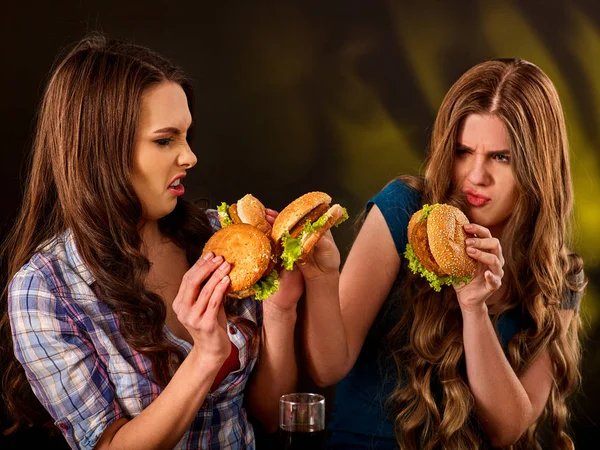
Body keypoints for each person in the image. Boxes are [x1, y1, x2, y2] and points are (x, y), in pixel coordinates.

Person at [0, 33, 304, 450]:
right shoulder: (45, 291)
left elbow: (270, 415)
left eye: (186, 136)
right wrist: (205, 357)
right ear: (100, 151)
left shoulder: (221, 236)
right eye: (165, 140)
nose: (189, 157)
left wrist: (281, 309)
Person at [297, 59, 586, 449]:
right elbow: (328, 368)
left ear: (540, 166)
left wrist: (474, 307)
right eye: (464, 151)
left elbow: (508, 429)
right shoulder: (404, 210)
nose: (475, 176)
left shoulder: (560, 276)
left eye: (502, 157)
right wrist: (321, 277)